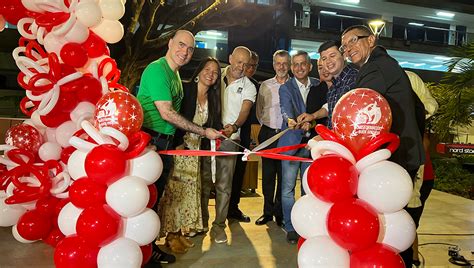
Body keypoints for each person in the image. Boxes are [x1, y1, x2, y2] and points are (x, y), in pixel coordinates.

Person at [341, 25, 425, 268]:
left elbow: (357, 109)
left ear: (371, 40)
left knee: (392, 227)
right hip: (401, 154)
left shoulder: (376, 67)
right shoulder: (385, 64)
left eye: (353, 41)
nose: (349, 49)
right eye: (345, 46)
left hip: (398, 158)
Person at [137, 30, 221, 265]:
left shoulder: (175, 76)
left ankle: (149, 248)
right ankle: (143, 251)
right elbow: (166, 112)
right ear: (170, 43)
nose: (185, 51)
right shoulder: (157, 70)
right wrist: (203, 131)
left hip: (164, 143)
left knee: (154, 198)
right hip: (150, 142)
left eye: (190, 48)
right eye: (181, 45)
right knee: (145, 200)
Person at [157, 57, 222, 254]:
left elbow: (212, 124)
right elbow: (174, 117)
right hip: (179, 149)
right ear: (199, 71)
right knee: (174, 193)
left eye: (215, 72)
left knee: (187, 194)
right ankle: (170, 235)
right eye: (207, 69)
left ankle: (179, 232)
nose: (211, 74)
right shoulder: (185, 90)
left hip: (196, 153)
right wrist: (176, 143)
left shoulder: (213, 97)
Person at [202, 46, 256, 244]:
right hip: (206, 136)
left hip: (229, 140)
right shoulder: (214, 75)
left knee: (224, 185)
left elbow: (245, 111)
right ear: (230, 58)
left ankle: (218, 227)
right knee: (204, 182)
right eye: (238, 61)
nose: (240, 67)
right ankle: (202, 223)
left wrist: (234, 126)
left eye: (245, 64)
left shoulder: (249, 86)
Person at [278, 51, 319, 244]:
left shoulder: (318, 85)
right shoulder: (286, 88)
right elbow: (286, 109)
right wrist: (291, 121)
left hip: (312, 146)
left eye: (303, 64)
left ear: (310, 66)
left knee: (307, 189)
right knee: (287, 189)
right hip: (291, 144)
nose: (299, 67)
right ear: (291, 67)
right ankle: (290, 226)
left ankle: (305, 225)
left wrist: (312, 123)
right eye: (295, 64)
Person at [404, 70, 438, 266]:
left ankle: (412, 260)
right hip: (393, 176)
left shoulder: (408, 78)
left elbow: (431, 105)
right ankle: (413, 259)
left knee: (408, 225)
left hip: (419, 177)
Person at [254, 50, 290, 227]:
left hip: (287, 135)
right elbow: (259, 110)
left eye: (284, 63)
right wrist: (268, 126)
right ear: (274, 64)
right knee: (268, 176)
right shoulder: (265, 85)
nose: (281, 67)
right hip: (268, 133)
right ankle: (267, 212)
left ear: (289, 64)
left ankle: (279, 213)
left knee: (284, 177)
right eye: (278, 63)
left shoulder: (294, 85)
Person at [228, 51, 260, 223]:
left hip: (243, 137)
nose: (248, 68)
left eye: (252, 66)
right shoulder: (220, 77)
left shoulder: (253, 86)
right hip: (218, 134)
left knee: (238, 174)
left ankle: (232, 208)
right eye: (247, 64)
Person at [297, 40, 358, 129]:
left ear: (344, 55)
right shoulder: (333, 87)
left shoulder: (355, 80)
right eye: (324, 58)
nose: (328, 61)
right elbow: (330, 108)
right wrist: (312, 116)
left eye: (332, 56)